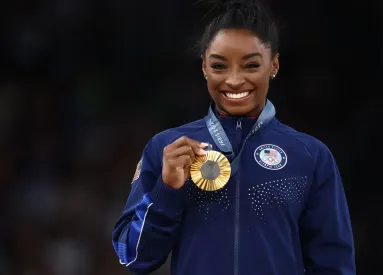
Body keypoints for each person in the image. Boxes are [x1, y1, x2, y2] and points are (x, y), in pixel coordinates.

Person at [112, 0, 356, 274]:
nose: (235, 80)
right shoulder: (167, 149)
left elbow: (335, 266)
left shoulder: (310, 156)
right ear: (204, 66)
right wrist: (166, 190)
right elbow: (132, 256)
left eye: (251, 66)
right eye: (219, 66)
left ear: (273, 65)